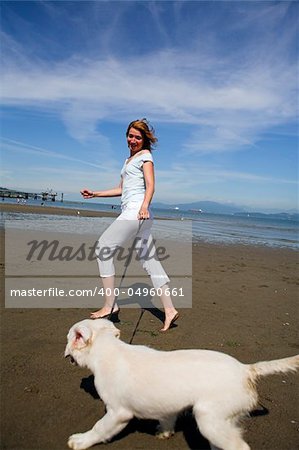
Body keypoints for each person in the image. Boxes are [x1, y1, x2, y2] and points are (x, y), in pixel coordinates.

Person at [81, 119, 179, 332]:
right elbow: (121, 189)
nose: (133, 140)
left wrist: (144, 206)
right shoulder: (128, 160)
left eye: (138, 137)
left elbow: (151, 185)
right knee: (150, 261)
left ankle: (110, 305)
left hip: (137, 211)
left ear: (144, 140)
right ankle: (169, 310)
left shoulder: (145, 157)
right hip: (139, 213)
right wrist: (95, 193)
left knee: (103, 248)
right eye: (130, 135)